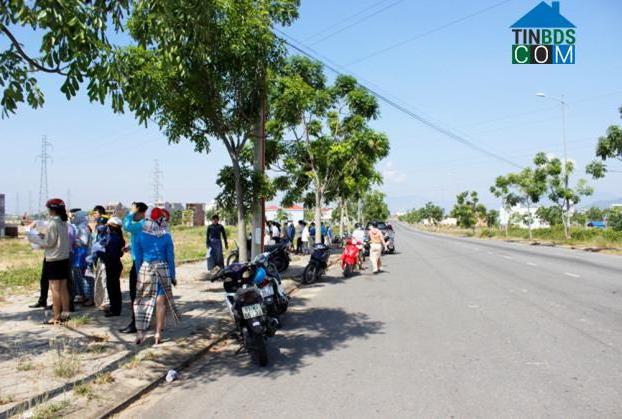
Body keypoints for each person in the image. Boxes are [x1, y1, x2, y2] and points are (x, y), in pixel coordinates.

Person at [134, 208, 180, 345]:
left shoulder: (140, 236)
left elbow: (138, 258)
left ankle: (140, 333)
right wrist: (172, 275)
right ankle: (158, 333)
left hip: (146, 269)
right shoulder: (166, 236)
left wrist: (138, 273)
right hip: (163, 269)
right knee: (161, 302)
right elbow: (170, 258)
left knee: (142, 301)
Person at [38, 199, 72, 324]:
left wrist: (39, 241)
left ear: (52, 210)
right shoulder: (64, 222)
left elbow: (50, 242)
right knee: (63, 287)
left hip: (53, 258)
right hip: (64, 257)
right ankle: (66, 313)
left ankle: (56, 316)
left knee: (54, 288)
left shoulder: (53, 224)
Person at [120, 202, 147, 333]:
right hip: (139, 262)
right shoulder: (142, 226)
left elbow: (126, 226)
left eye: (134, 213)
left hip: (140, 264)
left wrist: (131, 212)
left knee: (135, 294)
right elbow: (137, 240)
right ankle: (138, 322)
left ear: (140, 213)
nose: (131, 215)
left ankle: (136, 323)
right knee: (137, 294)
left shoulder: (142, 224)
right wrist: (130, 247)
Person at [70, 211, 93, 306]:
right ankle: (81, 295)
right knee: (78, 276)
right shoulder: (79, 226)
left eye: (75, 216)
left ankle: (87, 296)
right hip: (79, 253)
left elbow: (83, 241)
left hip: (81, 254)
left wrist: (73, 240)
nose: (73, 218)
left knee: (83, 276)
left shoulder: (82, 227)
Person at [104, 217, 125, 317]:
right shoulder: (118, 236)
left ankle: (115, 310)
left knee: (113, 288)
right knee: (114, 287)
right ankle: (115, 308)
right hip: (115, 264)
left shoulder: (113, 238)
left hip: (112, 264)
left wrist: (100, 252)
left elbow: (111, 253)